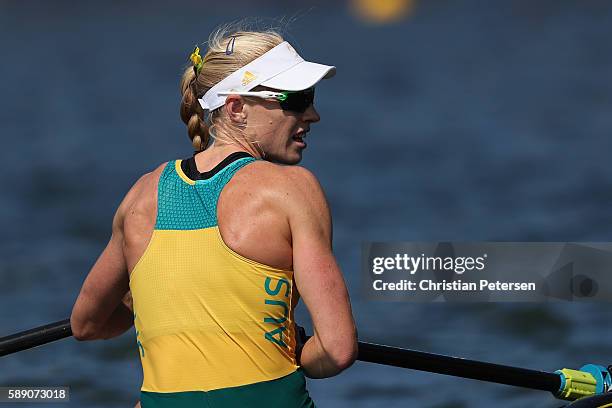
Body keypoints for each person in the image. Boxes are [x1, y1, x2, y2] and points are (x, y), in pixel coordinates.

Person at [70, 26, 357, 407]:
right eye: (297, 99)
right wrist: (297, 351)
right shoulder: (293, 190)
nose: (313, 114)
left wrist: (162, 296)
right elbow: (336, 350)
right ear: (236, 107)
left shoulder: (140, 197)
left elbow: (87, 325)